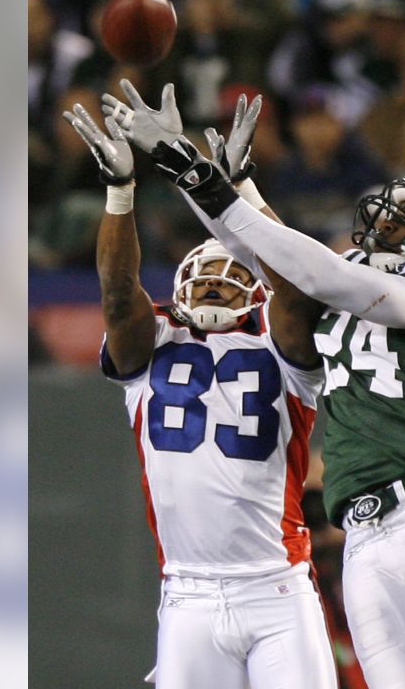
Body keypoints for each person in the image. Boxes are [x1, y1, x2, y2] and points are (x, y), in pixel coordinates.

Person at [103, 81, 405, 689]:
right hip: (362, 534)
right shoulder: (356, 272)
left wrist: (196, 173)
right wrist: (230, 185)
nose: (393, 220)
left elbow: (332, 278)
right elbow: (284, 267)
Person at [62, 98, 337, 689]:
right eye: (203, 274)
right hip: (187, 592)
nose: (213, 282)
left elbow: (295, 286)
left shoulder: (280, 346)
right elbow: (116, 292)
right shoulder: (152, 340)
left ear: (254, 291)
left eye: (230, 275)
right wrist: (120, 190)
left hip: (278, 587)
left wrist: (238, 194)